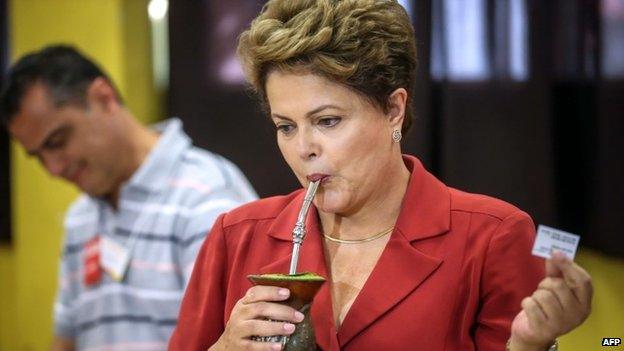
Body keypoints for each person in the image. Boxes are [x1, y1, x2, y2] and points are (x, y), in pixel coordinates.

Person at [169, 1, 592, 350]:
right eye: (286, 126)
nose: (303, 148)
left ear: (394, 109)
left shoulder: (493, 236)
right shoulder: (236, 235)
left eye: (328, 120)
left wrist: (529, 346)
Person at [0, 45, 258, 351]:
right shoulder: (79, 218)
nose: (53, 168)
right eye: (38, 156)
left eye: (57, 141)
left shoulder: (206, 197)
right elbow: (65, 339)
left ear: (103, 97)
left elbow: (242, 341)